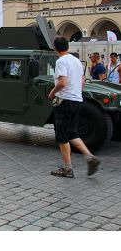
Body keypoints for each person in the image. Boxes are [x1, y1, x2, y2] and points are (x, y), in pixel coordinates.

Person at [48, 37, 100, 178]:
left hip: (64, 101)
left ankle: (67, 168)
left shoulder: (61, 61)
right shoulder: (76, 60)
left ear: (54, 47)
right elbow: (82, 81)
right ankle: (90, 157)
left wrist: (52, 93)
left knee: (62, 136)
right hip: (77, 100)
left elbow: (63, 82)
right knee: (72, 133)